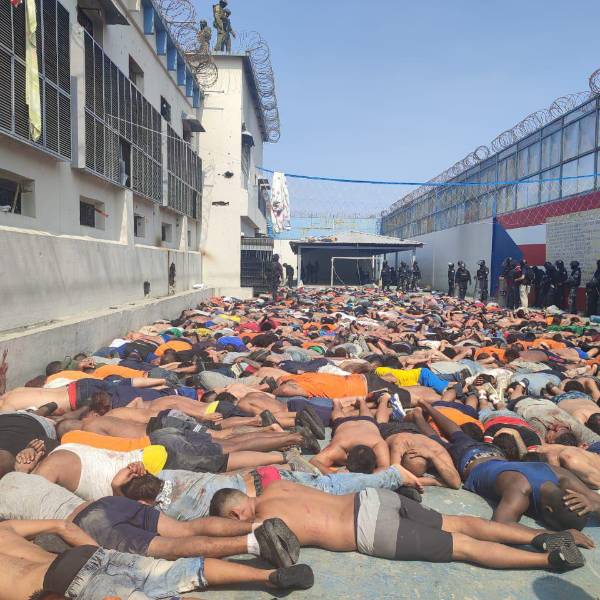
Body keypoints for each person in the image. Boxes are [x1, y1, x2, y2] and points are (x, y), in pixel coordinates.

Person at [210, 480, 589, 571]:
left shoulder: (262, 524)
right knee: (461, 523)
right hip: (372, 498)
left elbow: (269, 550)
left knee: (463, 546)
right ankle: (543, 536)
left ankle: (548, 560)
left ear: (235, 515)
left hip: (368, 529)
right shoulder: (277, 486)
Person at [0, 518, 313, 599]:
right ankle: (266, 577)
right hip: (85, 556)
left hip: (62, 584)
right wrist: (101, 556)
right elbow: (63, 526)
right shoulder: (5, 529)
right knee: (176, 571)